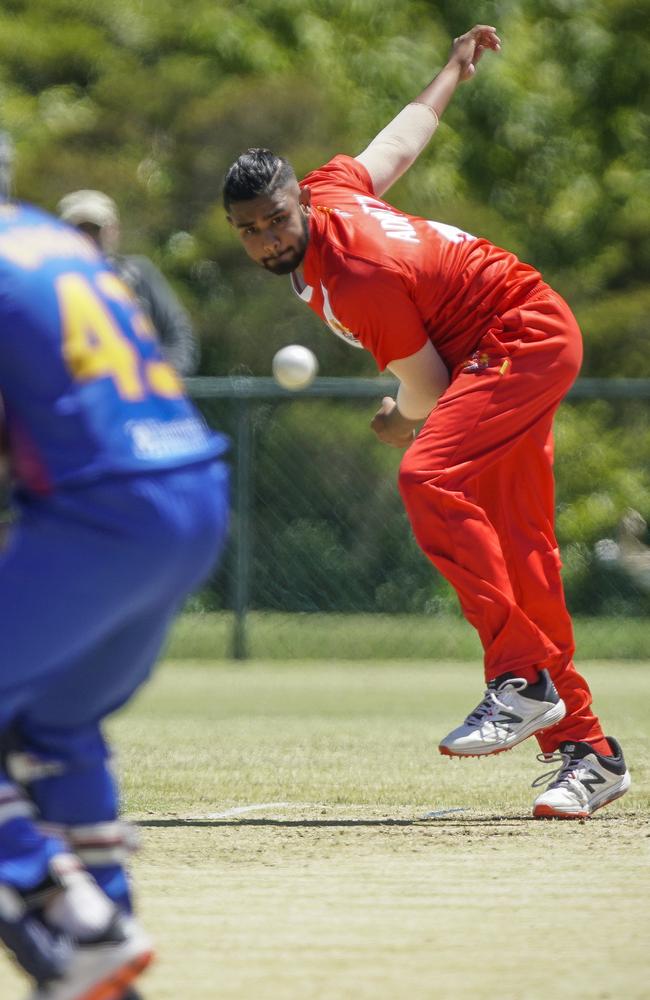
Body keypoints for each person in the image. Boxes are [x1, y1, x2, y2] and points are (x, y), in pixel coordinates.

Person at [222, 24, 631, 820]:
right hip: (508, 346)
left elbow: (427, 386)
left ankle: (520, 678)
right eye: (249, 230)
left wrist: (394, 420)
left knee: (425, 473)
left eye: (275, 219)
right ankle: (589, 754)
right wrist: (452, 68)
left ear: (300, 200)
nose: (267, 238)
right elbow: (401, 141)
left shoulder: (354, 275)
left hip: (519, 336)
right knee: (524, 556)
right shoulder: (334, 190)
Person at [0, 199, 229, 997]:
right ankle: (111, 944)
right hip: (196, 490)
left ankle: (64, 909)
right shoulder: (48, 236)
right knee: (54, 725)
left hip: (101, 510)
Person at [57, 189, 199, 376]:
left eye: (94, 229)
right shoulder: (51, 284)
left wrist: (162, 377)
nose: (87, 238)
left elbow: (179, 333)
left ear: (114, 230)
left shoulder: (139, 273)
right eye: (78, 230)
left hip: (140, 395)